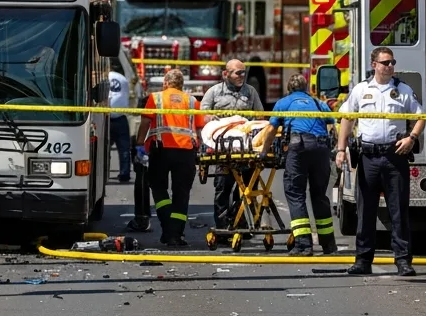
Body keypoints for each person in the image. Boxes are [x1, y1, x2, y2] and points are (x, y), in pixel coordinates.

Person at [336, 46, 426, 277]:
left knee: (398, 211)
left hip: (394, 156)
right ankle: (363, 260)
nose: (390, 66)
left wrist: (411, 138)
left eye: (392, 62)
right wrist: (340, 149)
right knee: (365, 211)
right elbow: (347, 117)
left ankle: (403, 261)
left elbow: (420, 117)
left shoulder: (403, 90)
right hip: (368, 157)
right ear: (374, 64)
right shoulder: (361, 90)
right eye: (385, 62)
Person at [260, 73, 337, 256]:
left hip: (299, 148)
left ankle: (304, 245)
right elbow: (333, 122)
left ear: (289, 89)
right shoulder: (318, 103)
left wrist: (264, 151)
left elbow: (271, 129)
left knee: (295, 194)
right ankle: (328, 245)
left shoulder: (284, 103)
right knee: (319, 196)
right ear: (306, 89)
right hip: (321, 149)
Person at [136, 68, 200, 246]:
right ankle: (176, 234)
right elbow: (200, 128)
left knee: (158, 189)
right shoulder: (193, 101)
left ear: (165, 83)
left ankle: (168, 229)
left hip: (161, 149)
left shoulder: (155, 98)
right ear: (182, 85)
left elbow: (146, 122)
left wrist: (140, 142)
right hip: (186, 152)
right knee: (181, 194)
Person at [201, 59, 262, 230]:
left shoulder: (250, 92)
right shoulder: (214, 92)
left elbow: (260, 116)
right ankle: (222, 226)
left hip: (245, 149)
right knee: (223, 188)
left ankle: (240, 223)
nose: (242, 76)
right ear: (225, 74)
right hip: (224, 149)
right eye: (238, 72)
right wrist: (213, 119)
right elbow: (203, 115)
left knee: (246, 189)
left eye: (244, 72)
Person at [108, 66, 133, 182]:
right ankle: (124, 174)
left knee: (104, 148)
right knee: (124, 148)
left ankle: (104, 173)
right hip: (120, 118)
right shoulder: (123, 79)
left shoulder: (103, 77)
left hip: (105, 117)